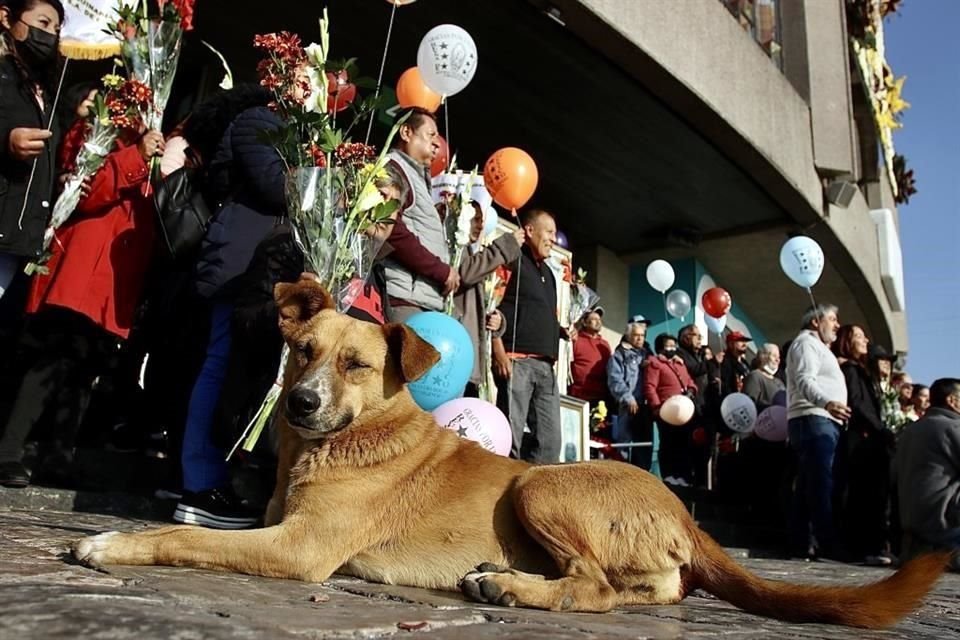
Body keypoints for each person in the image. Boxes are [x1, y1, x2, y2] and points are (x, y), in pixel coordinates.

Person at [0, 117, 163, 488]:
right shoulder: (100, 132)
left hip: (111, 272)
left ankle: (58, 455)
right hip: (83, 262)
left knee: (85, 366)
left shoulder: (147, 136)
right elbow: (85, 193)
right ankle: (9, 451)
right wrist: (135, 155)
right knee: (51, 358)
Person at [176, 95, 285, 528]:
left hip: (259, 263)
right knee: (220, 365)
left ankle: (214, 480)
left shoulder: (288, 129)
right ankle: (200, 485)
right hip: (239, 263)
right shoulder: (257, 119)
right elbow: (276, 184)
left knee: (238, 371)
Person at [493, 209, 569, 463]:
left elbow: (535, 310)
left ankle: (539, 495)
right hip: (517, 362)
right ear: (529, 231)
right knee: (508, 438)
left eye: (555, 234)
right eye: (549, 232)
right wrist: (499, 352)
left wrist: (560, 330)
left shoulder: (549, 273)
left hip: (546, 368)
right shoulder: (512, 261)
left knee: (550, 442)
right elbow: (492, 304)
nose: (553, 239)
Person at [0, 0, 63, 299]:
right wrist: (6, 140)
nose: (50, 34)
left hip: (15, 234)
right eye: (43, 23)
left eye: (56, 28)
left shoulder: (44, 93)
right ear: (6, 17)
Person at [785, 304, 851, 560]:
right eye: (832, 319)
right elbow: (804, 378)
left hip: (819, 419)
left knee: (808, 485)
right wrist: (826, 402)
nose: (837, 325)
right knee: (820, 485)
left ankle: (801, 543)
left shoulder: (818, 347)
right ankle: (827, 543)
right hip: (813, 418)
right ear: (815, 322)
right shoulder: (806, 344)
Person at [381, 107, 457, 322]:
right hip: (403, 298)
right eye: (431, 135)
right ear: (406, 133)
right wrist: (441, 271)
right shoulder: (395, 168)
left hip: (418, 300)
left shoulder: (415, 176)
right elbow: (391, 228)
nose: (437, 143)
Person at [833, 324, 893, 566]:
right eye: (859, 336)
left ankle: (872, 546)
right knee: (863, 495)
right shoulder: (850, 369)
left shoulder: (861, 371)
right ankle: (863, 548)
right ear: (847, 341)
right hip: (862, 442)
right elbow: (857, 403)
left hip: (869, 440)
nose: (865, 340)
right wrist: (881, 430)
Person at [452, 204, 523, 398]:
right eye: (475, 219)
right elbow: (466, 273)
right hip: (455, 353)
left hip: (470, 356)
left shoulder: (469, 252)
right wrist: (505, 246)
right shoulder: (454, 248)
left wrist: (496, 320)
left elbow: (476, 307)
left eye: (482, 221)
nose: (480, 225)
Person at [895, 378, 960, 570]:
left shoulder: (911, 429)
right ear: (952, 401)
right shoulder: (952, 427)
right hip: (944, 522)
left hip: (913, 524)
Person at [643, 333, 698, 486]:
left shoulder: (679, 363)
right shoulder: (655, 363)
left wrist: (691, 391)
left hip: (684, 410)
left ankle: (683, 476)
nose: (672, 349)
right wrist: (656, 407)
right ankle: (669, 475)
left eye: (674, 346)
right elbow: (650, 387)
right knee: (668, 443)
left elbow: (691, 382)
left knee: (684, 443)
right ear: (660, 347)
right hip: (666, 410)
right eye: (669, 346)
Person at [606, 320, 651, 468]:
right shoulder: (619, 355)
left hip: (644, 407)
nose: (640, 339)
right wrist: (627, 398)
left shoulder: (647, 354)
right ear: (628, 336)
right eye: (636, 335)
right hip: (627, 406)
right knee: (623, 444)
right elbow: (615, 380)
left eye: (642, 335)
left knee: (643, 447)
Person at [569, 309, 613, 409]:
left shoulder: (604, 344)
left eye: (599, 319)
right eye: (594, 319)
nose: (598, 322)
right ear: (584, 322)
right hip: (579, 396)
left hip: (600, 397)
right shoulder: (576, 340)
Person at [742, 343, 784, 412]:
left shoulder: (779, 381)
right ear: (763, 357)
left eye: (778, 357)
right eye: (774, 356)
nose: (778, 360)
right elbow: (749, 404)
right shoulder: (755, 376)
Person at [721, 331, 752, 396]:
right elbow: (726, 386)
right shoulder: (725, 362)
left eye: (745, 341)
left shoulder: (744, 362)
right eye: (741, 341)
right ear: (731, 344)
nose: (744, 344)